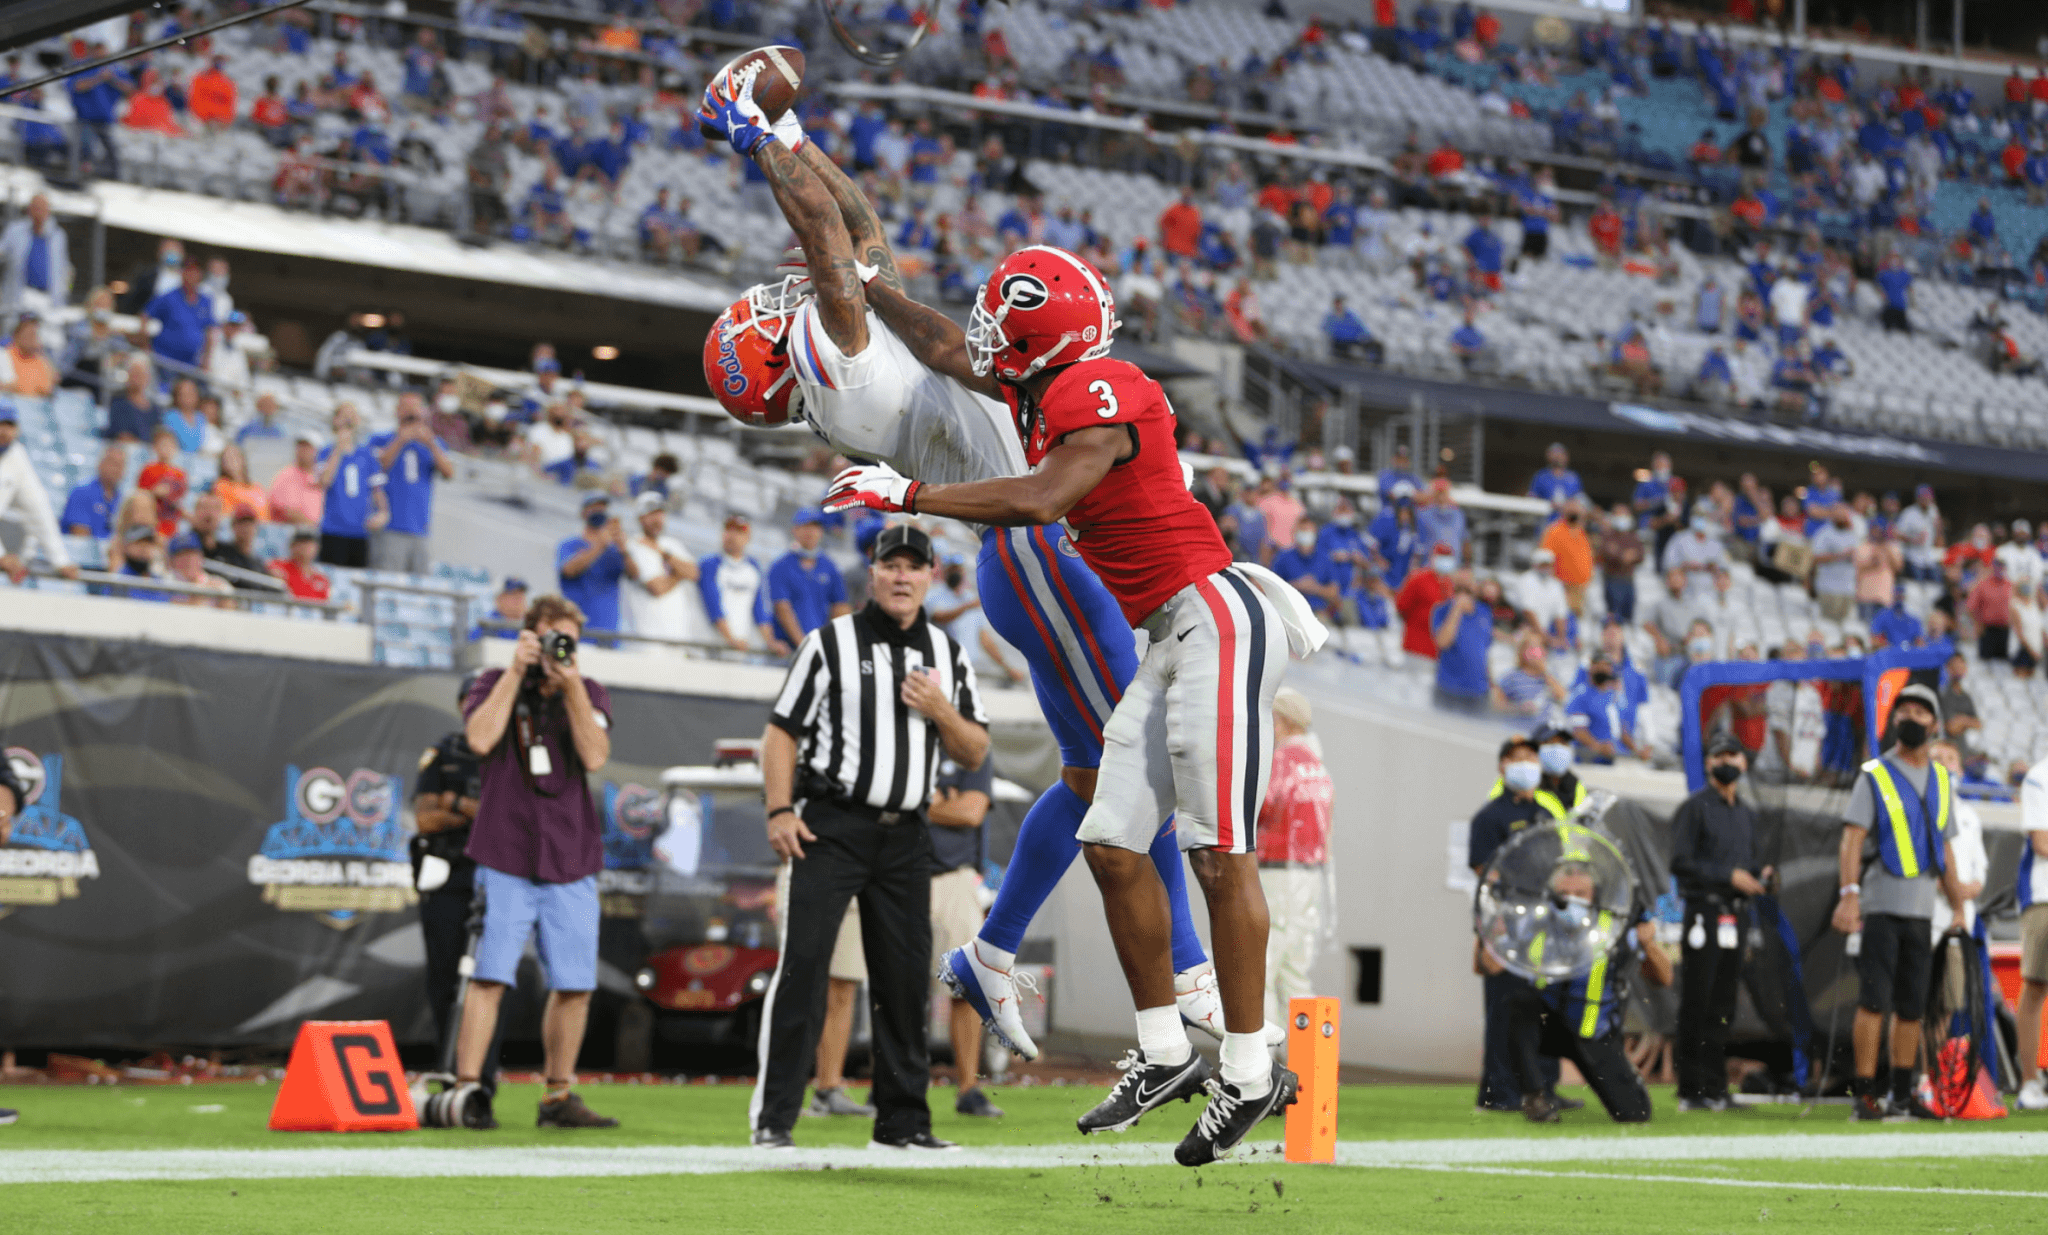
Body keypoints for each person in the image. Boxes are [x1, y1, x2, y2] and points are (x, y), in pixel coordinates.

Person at [700, 81, 1227, 1112]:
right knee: (1143, 761)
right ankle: (1193, 987)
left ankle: (987, 952)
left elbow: (858, 236)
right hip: (1040, 556)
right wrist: (759, 140)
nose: (775, 301)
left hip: (1029, 563)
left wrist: (796, 137)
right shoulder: (845, 374)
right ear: (780, 359)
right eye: (762, 317)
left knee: (1090, 774)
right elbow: (824, 240)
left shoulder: (868, 346)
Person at [751, 523, 989, 1151]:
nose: (903, 576)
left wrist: (941, 711)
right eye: (893, 565)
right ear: (874, 573)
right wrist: (779, 810)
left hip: (908, 836)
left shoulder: (948, 654)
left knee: (904, 980)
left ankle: (903, 1122)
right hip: (833, 824)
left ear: (932, 576)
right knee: (804, 966)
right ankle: (775, 1118)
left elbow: (974, 751)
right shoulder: (828, 643)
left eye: (916, 566)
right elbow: (781, 732)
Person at [448, 594, 617, 1131]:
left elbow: (594, 755)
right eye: (550, 637)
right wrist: (515, 672)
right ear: (528, 635)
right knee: (490, 975)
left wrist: (568, 684)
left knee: (574, 984)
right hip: (505, 851)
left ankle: (557, 1097)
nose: (558, 649)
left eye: (568, 640)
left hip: (571, 856)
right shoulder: (493, 682)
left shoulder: (586, 691)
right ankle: (469, 1092)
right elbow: (479, 737)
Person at [1831, 684, 1969, 1121]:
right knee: (1873, 1000)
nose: (1911, 716)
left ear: (1933, 723)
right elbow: (1851, 839)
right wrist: (1849, 895)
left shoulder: (1943, 779)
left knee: (1912, 1005)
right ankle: (1866, 1096)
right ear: (1894, 720)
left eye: (1920, 710)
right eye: (1904, 709)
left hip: (1923, 909)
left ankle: (1903, 1096)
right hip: (1880, 904)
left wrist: (1959, 904)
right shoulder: (1874, 773)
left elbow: (1943, 850)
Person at [1668, 733, 1769, 1111]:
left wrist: (1761, 875)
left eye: (1734, 754)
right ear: (1709, 763)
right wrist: (1727, 876)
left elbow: (1750, 864)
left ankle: (1715, 1086)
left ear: (1743, 763)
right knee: (1698, 997)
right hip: (1705, 912)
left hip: (1735, 915)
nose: (1728, 761)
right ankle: (1691, 1090)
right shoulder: (1695, 808)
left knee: (1724, 1000)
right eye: (1720, 754)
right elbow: (1680, 862)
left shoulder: (1746, 813)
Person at [410, 684, 501, 1099]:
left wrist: (458, 804)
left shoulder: (508, 752)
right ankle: (448, 1073)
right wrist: (472, 812)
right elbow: (425, 819)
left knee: (490, 979)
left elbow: (505, 821)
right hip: (448, 878)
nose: (476, 707)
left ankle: (482, 1079)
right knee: (444, 980)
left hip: (497, 878)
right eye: (470, 700)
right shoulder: (442, 751)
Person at [1468, 736, 1558, 1116]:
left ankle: (1542, 1088)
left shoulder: (1546, 814)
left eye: (1533, 759)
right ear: (1503, 765)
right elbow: (1482, 869)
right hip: (1507, 916)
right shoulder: (1489, 817)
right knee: (1503, 1004)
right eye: (1520, 759)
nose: (1528, 765)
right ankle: (1498, 1091)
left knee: (1542, 1008)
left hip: (1543, 920)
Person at [929, 734, 1002, 1118]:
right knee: (897, 987)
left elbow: (972, 811)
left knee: (966, 985)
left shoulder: (969, 745)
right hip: (899, 876)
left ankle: (969, 1087)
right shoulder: (896, 735)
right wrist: (943, 803)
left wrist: (922, 806)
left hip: (955, 878)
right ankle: (887, 1081)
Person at [1256, 689, 1332, 1033]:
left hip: (1276, 874)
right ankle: (1306, 1064)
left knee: (1263, 968)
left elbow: (1262, 806)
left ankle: (1263, 1064)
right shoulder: (1318, 768)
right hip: (1309, 878)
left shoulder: (1280, 763)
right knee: (1295, 973)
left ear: (1281, 720)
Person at [370, 391, 455, 575]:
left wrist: (430, 443)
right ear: (397, 411)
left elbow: (449, 472)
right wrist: (401, 439)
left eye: (415, 408)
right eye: (406, 408)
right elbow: (379, 464)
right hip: (390, 526)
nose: (411, 413)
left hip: (420, 528)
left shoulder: (433, 444)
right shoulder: (381, 439)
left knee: (419, 585)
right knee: (387, 581)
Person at [0, 403, 74, 584]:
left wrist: (61, 560)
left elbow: (38, 510)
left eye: (10, 425)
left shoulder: (16, 456)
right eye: (1, 424)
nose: (4, 431)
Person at [619, 491, 703, 645]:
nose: (657, 519)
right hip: (647, 638)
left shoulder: (671, 544)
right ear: (640, 518)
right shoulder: (634, 546)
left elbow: (694, 573)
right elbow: (657, 588)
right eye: (651, 514)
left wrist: (663, 553)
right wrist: (678, 573)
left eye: (660, 513)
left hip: (678, 637)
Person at [2016, 750, 2048, 1111]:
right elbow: (2042, 843)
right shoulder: (2040, 776)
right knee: (2036, 984)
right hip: (2044, 895)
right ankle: (2028, 1082)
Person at [699, 512, 781, 654]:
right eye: (728, 530)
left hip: (739, 645)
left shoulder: (753, 568)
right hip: (712, 645)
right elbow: (713, 605)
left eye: (738, 531)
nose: (732, 535)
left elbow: (759, 610)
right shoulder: (709, 564)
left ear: (748, 537)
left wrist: (770, 641)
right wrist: (730, 639)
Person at [767, 507, 850, 647]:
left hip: (819, 645)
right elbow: (782, 608)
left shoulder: (829, 567)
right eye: (806, 526)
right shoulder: (781, 567)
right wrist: (804, 644)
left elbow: (840, 606)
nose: (811, 532)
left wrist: (831, 641)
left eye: (816, 527)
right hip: (789, 648)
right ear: (795, 529)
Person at [316, 406, 386, 568]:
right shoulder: (326, 451)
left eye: (352, 415)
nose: (348, 419)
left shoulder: (367, 454)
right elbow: (325, 481)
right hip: (333, 529)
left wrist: (383, 512)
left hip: (360, 531)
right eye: (343, 415)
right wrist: (339, 449)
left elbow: (377, 489)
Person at [558, 494, 626, 636]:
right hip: (575, 627)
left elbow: (635, 574)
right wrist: (600, 545)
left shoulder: (614, 549)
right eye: (594, 508)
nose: (599, 512)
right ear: (583, 512)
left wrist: (623, 548)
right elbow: (569, 570)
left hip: (608, 629)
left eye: (602, 508)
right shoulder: (569, 544)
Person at [0, 194, 71, 321]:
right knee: (17, 332)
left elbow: (65, 268)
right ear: (29, 210)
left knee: (47, 338)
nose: (39, 213)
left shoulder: (58, 236)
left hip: (48, 298)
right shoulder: (15, 230)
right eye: (36, 208)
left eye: (42, 209)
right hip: (21, 294)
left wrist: (64, 291)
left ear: (48, 211)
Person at [1432, 568, 1492, 715]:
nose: (1464, 592)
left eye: (1468, 587)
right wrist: (1457, 609)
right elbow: (1443, 642)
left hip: (1478, 692)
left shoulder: (1485, 612)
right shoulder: (1441, 610)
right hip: (1449, 690)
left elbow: (1484, 650)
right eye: (1460, 587)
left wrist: (1490, 680)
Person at [144, 259, 216, 370]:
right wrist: (146, 345)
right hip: (165, 360)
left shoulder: (205, 301)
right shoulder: (169, 297)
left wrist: (206, 359)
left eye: (195, 272)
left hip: (191, 363)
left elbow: (210, 331)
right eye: (189, 271)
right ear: (182, 273)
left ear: (200, 275)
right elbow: (145, 316)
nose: (192, 275)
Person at [61, 444, 125, 540]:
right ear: (100, 464)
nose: (114, 469)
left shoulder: (122, 499)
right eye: (111, 463)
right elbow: (80, 537)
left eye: (119, 465)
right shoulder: (82, 492)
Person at [268, 431, 325, 527]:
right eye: (300, 446)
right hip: (293, 534)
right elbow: (289, 512)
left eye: (308, 447)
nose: (303, 450)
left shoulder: (320, 478)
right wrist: (318, 527)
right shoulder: (287, 476)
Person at [268, 527, 331, 600]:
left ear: (317, 548)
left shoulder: (321, 579)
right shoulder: (278, 565)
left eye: (309, 542)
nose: (305, 546)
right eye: (301, 542)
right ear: (292, 546)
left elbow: (325, 604)